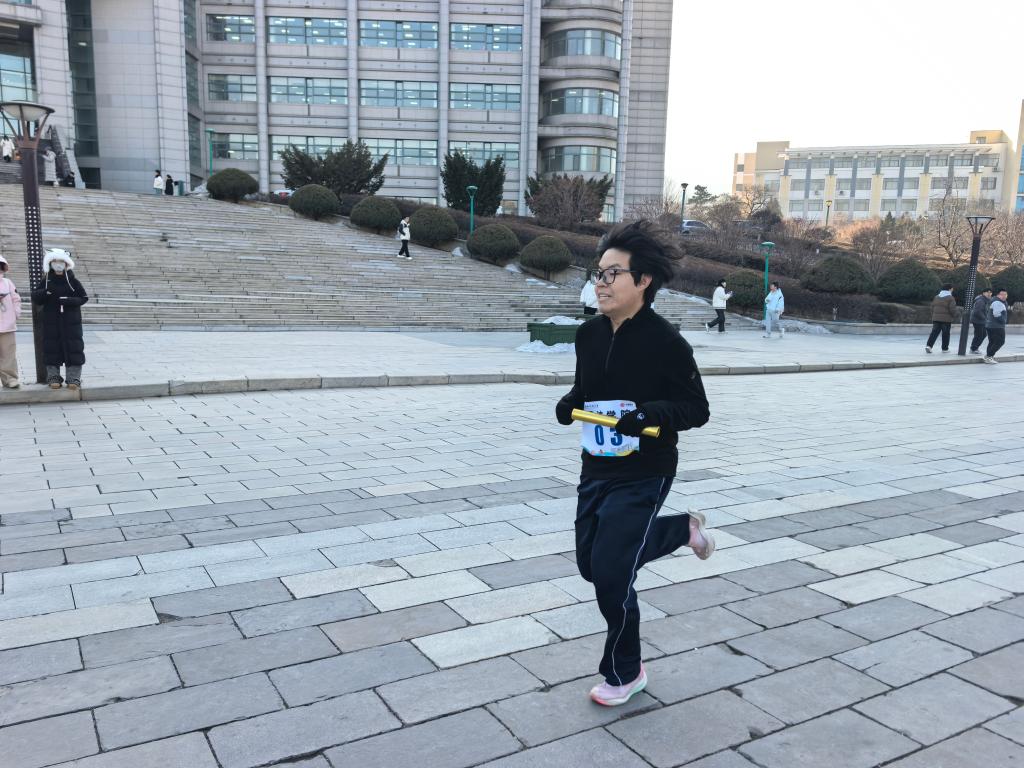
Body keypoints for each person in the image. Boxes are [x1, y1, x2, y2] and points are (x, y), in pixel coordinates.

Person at [555, 220, 714, 707]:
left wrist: (650, 414)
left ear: (643, 280)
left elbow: (696, 409)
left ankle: (625, 671)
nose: (600, 284)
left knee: (611, 573)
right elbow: (588, 390)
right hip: (597, 466)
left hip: (647, 469)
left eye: (612, 274)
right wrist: (571, 402)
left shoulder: (667, 343)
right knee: (591, 563)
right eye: (597, 274)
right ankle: (681, 529)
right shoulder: (588, 335)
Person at [31, 249, 88, 389]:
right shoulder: (46, 281)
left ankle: (73, 378)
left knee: (74, 348)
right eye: (55, 261)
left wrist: (69, 301)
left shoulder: (73, 281)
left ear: (66, 264)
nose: (58, 264)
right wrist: (45, 292)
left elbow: (83, 297)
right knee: (52, 349)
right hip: (52, 322)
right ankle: (53, 377)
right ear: (50, 263)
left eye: (61, 261)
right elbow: (36, 297)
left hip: (71, 323)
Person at [0, 255, 22, 389]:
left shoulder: (7, 283)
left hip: (7, 324)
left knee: (8, 354)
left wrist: (16, 314)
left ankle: (10, 379)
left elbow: (16, 299)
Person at [926, 282, 957, 353]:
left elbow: (932, 307)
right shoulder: (950, 298)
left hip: (936, 318)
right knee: (946, 334)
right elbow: (952, 309)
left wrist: (934, 315)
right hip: (946, 319)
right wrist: (954, 316)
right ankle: (945, 349)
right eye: (952, 289)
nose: (952, 290)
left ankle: (929, 346)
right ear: (949, 289)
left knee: (934, 332)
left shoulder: (937, 297)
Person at [983, 288, 1009, 364]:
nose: (1004, 296)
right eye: (1002, 294)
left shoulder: (995, 301)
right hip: (996, 326)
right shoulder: (997, 302)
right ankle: (989, 356)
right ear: (998, 295)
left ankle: (988, 357)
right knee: (1000, 341)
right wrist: (1003, 321)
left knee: (992, 342)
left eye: (1005, 294)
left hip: (991, 325)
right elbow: (996, 314)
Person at [968, 288, 993, 354]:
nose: (989, 294)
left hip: (981, 320)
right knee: (980, 335)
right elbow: (977, 311)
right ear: (983, 293)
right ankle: (973, 349)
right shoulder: (981, 300)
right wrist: (985, 318)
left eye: (990, 292)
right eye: (987, 292)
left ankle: (974, 348)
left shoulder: (986, 300)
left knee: (982, 334)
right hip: (978, 320)